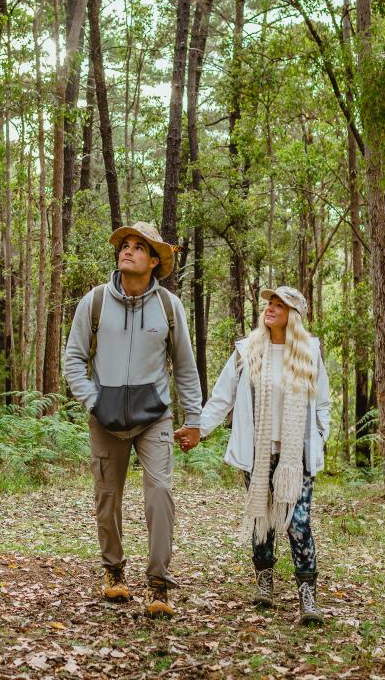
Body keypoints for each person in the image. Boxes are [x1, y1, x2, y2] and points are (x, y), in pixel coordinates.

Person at [63, 222, 202, 619]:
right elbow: (74, 358)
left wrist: (193, 418)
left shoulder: (169, 308)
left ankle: (159, 583)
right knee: (107, 499)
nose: (128, 250)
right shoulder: (94, 302)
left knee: (159, 494)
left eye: (139, 247)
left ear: (154, 261)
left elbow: (185, 368)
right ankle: (114, 571)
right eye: (125, 245)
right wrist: (93, 400)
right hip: (105, 419)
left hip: (154, 416)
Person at [175, 286, 330, 625]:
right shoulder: (248, 351)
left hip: (296, 456)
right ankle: (264, 582)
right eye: (269, 304)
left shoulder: (309, 351)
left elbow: (323, 404)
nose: (270, 309)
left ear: (294, 315)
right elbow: (222, 397)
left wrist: (320, 437)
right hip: (258, 452)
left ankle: (308, 595)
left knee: (298, 524)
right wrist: (199, 429)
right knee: (263, 518)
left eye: (279, 305)